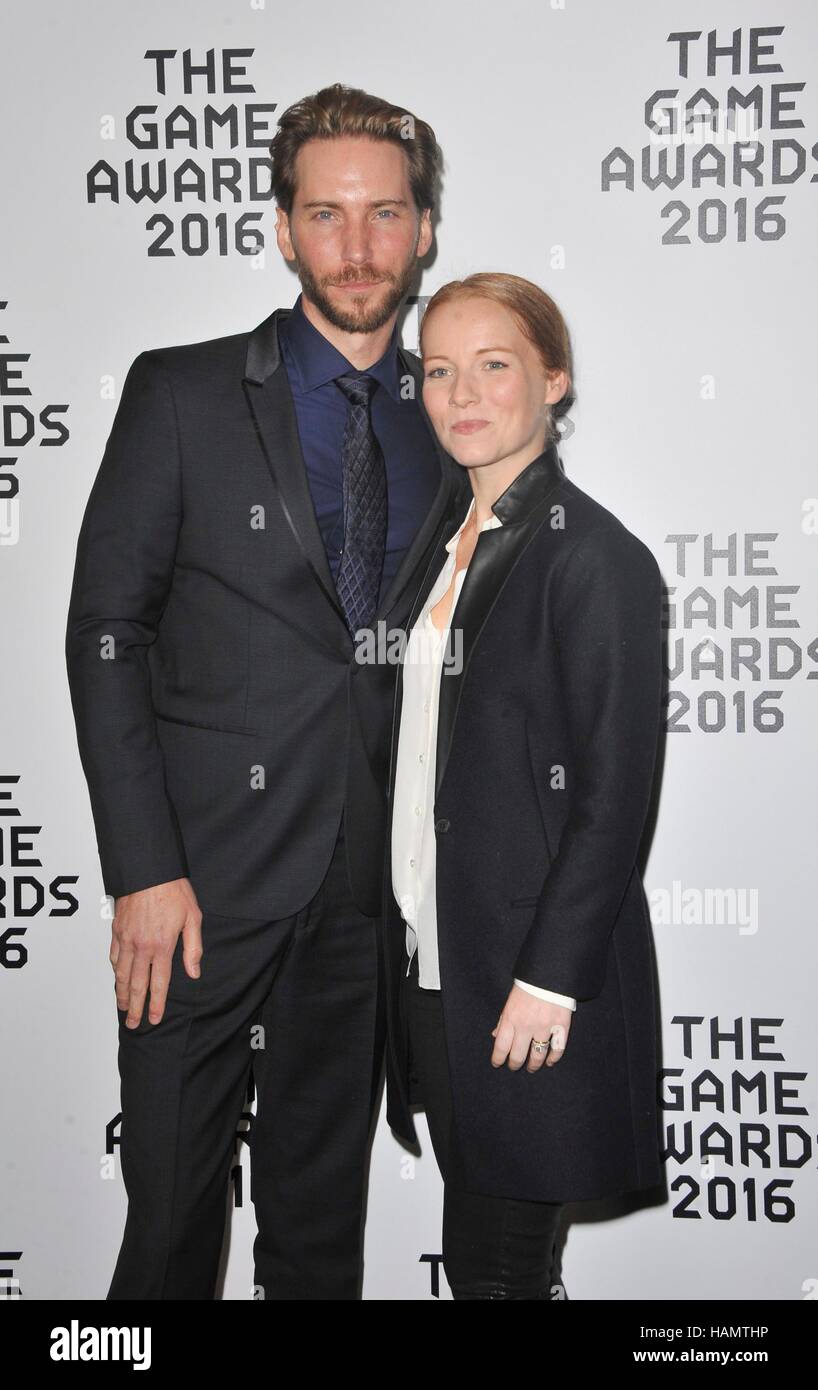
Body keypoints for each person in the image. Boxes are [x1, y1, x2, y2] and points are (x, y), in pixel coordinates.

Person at [64, 82, 468, 1300]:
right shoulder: (179, 393)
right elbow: (106, 634)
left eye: (384, 215)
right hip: (196, 896)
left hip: (358, 902)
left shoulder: (449, 418)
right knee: (172, 1230)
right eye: (326, 214)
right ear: (283, 229)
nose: (357, 245)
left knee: (315, 1238)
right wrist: (140, 868)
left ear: (425, 231)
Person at [382, 272, 665, 1299]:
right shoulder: (436, 551)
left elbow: (612, 795)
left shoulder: (592, 559)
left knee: (497, 1270)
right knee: (488, 1270)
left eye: (492, 364)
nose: (460, 392)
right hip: (433, 969)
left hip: (527, 984)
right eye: (438, 370)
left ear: (552, 379)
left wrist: (547, 980)